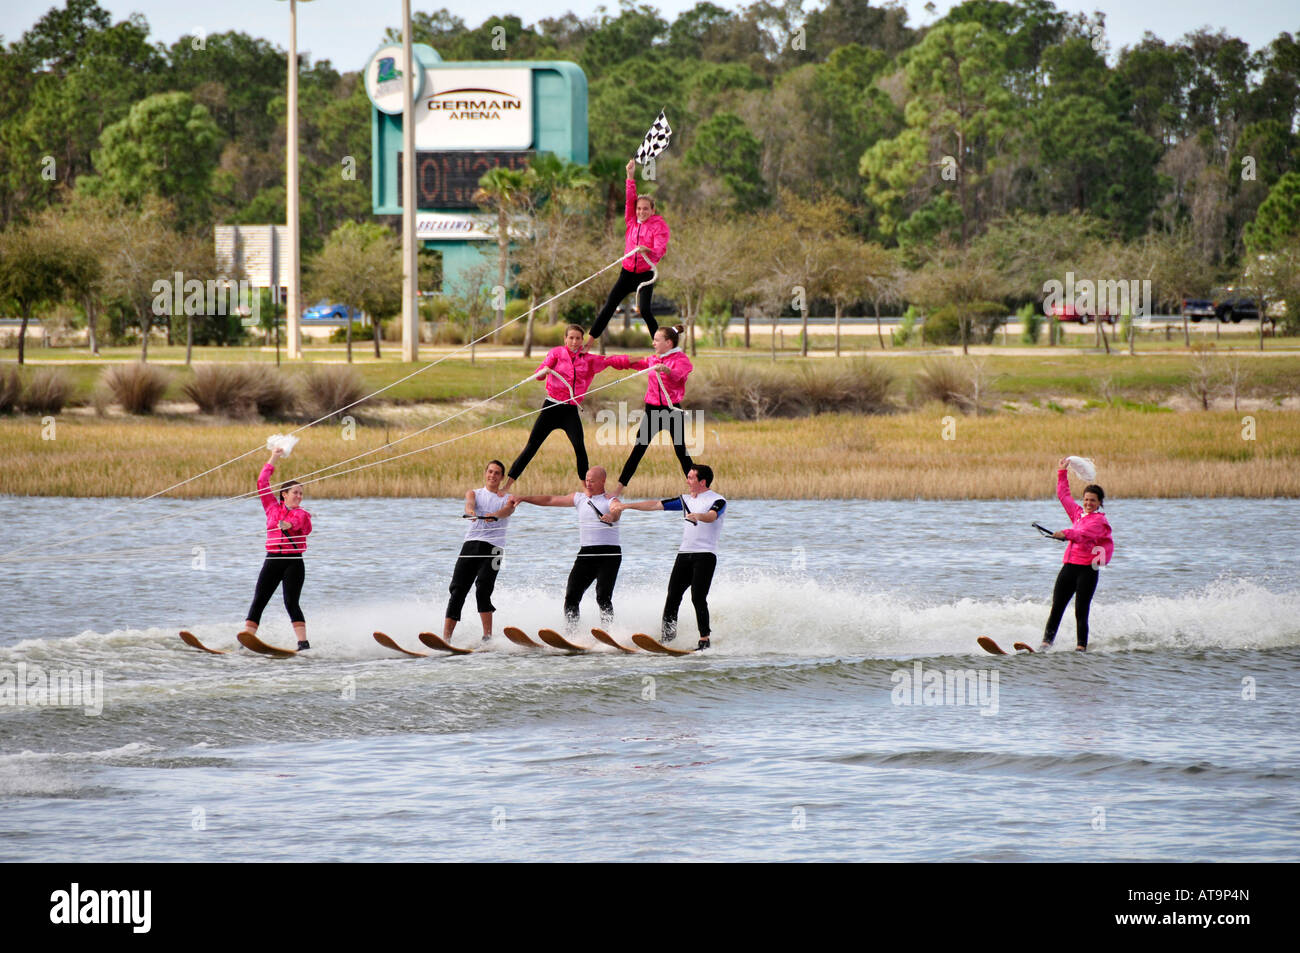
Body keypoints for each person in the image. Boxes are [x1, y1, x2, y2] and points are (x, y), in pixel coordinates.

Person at [500, 325, 634, 492]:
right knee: (532, 446)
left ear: (582, 340)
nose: (574, 341)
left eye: (578, 338)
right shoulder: (556, 353)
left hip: (570, 410)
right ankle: (506, 486)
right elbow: (539, 375)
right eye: (571, 338)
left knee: (579, 447)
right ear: (565, 339)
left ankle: (586, 489)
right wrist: (545, 370)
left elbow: (614, 361)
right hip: (551, 407)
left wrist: (645, 362)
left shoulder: (588, 360)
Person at [611, 465, 724, 651]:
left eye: (690, 478)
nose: (687, 481)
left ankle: (704, 639)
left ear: (702, 481)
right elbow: (656, 504)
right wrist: (626, 506)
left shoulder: (718, 500)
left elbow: (712, 516)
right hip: (684, 554)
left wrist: (699, 516)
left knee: (698, 597)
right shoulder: (685, 500)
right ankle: (667, 639)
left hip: (705, 556)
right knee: (672, 596)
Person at [510, 466, 624, 633]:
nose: (588, 483)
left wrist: (611, 516)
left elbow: (616, 510)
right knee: (571, 596)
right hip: (586, 554)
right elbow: (549, 500)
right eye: (586, 480)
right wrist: (525, 498)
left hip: (609, 554)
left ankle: (609, 633)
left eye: (592, 481)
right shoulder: (579, 498)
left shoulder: (610, 499)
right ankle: (572, 633)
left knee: (603, 596)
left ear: (603, 481)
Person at [586, 158, 670, 348]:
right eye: (639, 209)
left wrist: (649, 250)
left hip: (645, 274)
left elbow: (660, 248)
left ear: (652, 210)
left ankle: (661, 347)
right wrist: (630, 176)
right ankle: (589, 342)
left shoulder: (659, 225)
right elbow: (629, 198)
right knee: (609, 306)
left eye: (645, 209)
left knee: (646, 310)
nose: (641, 212)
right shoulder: (631, 221)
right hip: (627, 273)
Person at [244, 446, 313, 650]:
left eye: (301, 493)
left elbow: (302, 525)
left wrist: (289, 525)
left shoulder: (302, 514)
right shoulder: (272, 508)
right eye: (295, 493)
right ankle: (246, 639)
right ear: (284, 494)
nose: (299, 496)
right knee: (259, 600)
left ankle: (303, 643)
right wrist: (274, 456)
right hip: (273, 560)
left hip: (293, 563)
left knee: (291, 603)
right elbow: (262, 483)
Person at [612, 324, 694, 498]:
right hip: (652, 411)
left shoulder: (681, 359)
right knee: (638, 449)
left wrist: (667, 370)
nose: (653, 343)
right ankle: (617, 491)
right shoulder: (653, 359)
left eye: (657, 340)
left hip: (672, 410)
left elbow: (680, 374)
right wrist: (610, 361)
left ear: (668, 343)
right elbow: (633, 363)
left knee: (681, 451)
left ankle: (696, 490)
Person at [1041, 458, 1114, 652]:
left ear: (1099, 503)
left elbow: (1083, 534)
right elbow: (1063, 496)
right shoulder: (1078, 514)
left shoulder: (1099, 521)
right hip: (1070, 566)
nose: (1088, 503)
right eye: (1086, 499)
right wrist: (1061, 473)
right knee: (1057, 607)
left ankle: (1081, 647)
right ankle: (1046, 644)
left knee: (1081, 611)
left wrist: (1065, 533)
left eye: (1093, 500)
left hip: (1088, 570)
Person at [444, 460, 519, 644]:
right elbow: (469, 505)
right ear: (486, 473)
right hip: (471, 545)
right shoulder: (474, 493)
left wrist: (494, 516)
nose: (492, 476)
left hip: (494, 549)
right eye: (490, 472)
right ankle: (445, 639)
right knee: (457, 590)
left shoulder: (508, 498)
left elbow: (507, 511)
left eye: (497, 473)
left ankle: (487, 638)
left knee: (483, 590)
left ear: (502, 477)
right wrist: (471, 513)